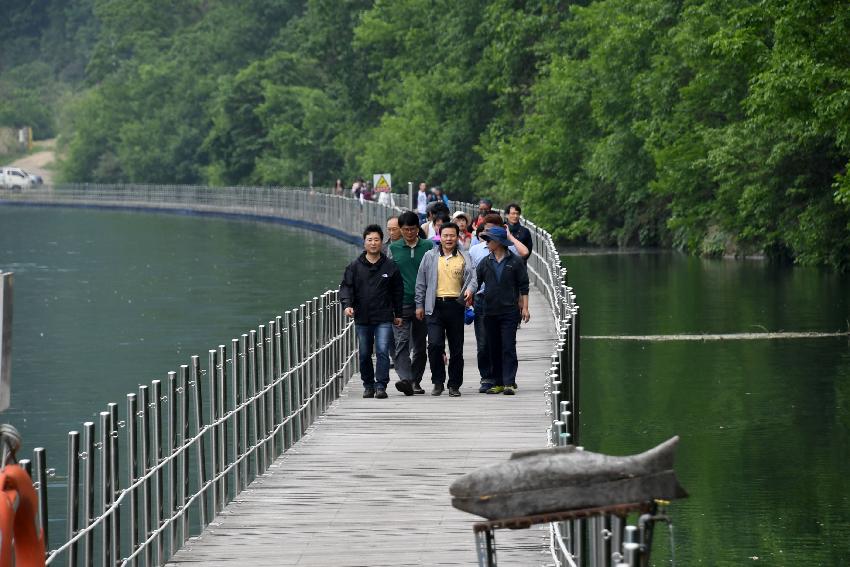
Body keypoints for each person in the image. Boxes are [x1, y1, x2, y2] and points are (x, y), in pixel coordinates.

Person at [339, 225, 404, 399]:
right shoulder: (354, 267)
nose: (373, 243)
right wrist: (347, 305)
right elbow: (346, 288)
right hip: (362, 316)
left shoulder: (390, 266)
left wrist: (398, 314)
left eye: (376, 240)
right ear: (364, 242)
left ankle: (381, 385)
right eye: (370, 240)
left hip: (383, 316)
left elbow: (398, 291)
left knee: (382, 350)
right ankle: (368, 385)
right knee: (365, 352)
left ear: (382, 242)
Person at [415, 222, 477, 397]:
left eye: (452, 235)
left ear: (457, 237)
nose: (449, 239)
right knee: (434, 345)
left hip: (456, 305)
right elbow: (421, 283)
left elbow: (473, 277)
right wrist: (419, 305)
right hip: (434, 306)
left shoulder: (465, 256)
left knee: (456, 348)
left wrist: (470, 289)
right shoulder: (429, 256)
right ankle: (437, 381)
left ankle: (454, 384)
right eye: (445, 235)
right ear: (439, 237)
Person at [469, 214, 529, 393]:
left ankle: (509, 381)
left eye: (490, 240)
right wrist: (469, 294)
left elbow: (524, 286)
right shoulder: (485, 262)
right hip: (489, 311)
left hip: (509, 311)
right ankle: (497, 382)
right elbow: (475, 281)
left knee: (508, 346)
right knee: (493, 346)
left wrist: (525, 308)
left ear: (499, 242)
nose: (487, 243)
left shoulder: (515, 262)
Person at [388, 211, 434, 396]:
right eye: (405, 229)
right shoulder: (394, 248)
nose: (409, 233)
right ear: (400, 229)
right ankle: (405, 379)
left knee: (420, 345)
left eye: (412, 229)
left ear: (418, 229)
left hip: (423, 303)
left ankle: (416, 380)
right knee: (401, 342)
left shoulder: (429, 246)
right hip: (401, 303)